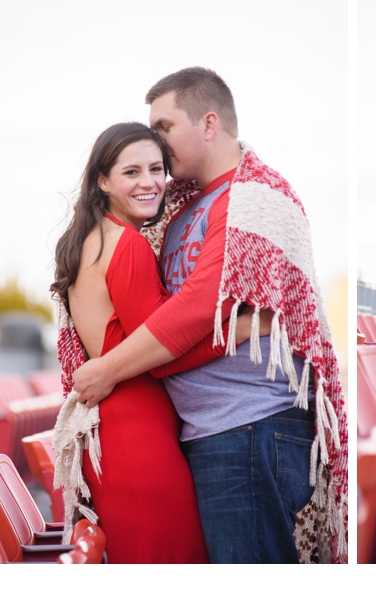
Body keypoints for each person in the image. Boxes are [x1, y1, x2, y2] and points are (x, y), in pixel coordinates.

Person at [70, 67, 347, 564]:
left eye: (164, 127)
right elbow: (160, 326)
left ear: (210, 123)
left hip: (249, 427)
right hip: (207, 432)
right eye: (133, 167)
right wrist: (243, 327)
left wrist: (106, 369)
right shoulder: (179, 211)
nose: (156, 142)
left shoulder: (252, 198)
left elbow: (198, 309)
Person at [51, 122, 261, 562]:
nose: (149, 182)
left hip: (115, 432)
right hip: (139, 437)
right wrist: (244, 329)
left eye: (157, 168)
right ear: (102, 181)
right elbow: (164, 352)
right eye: (131, 172)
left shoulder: (88, 240)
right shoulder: (127, 245)